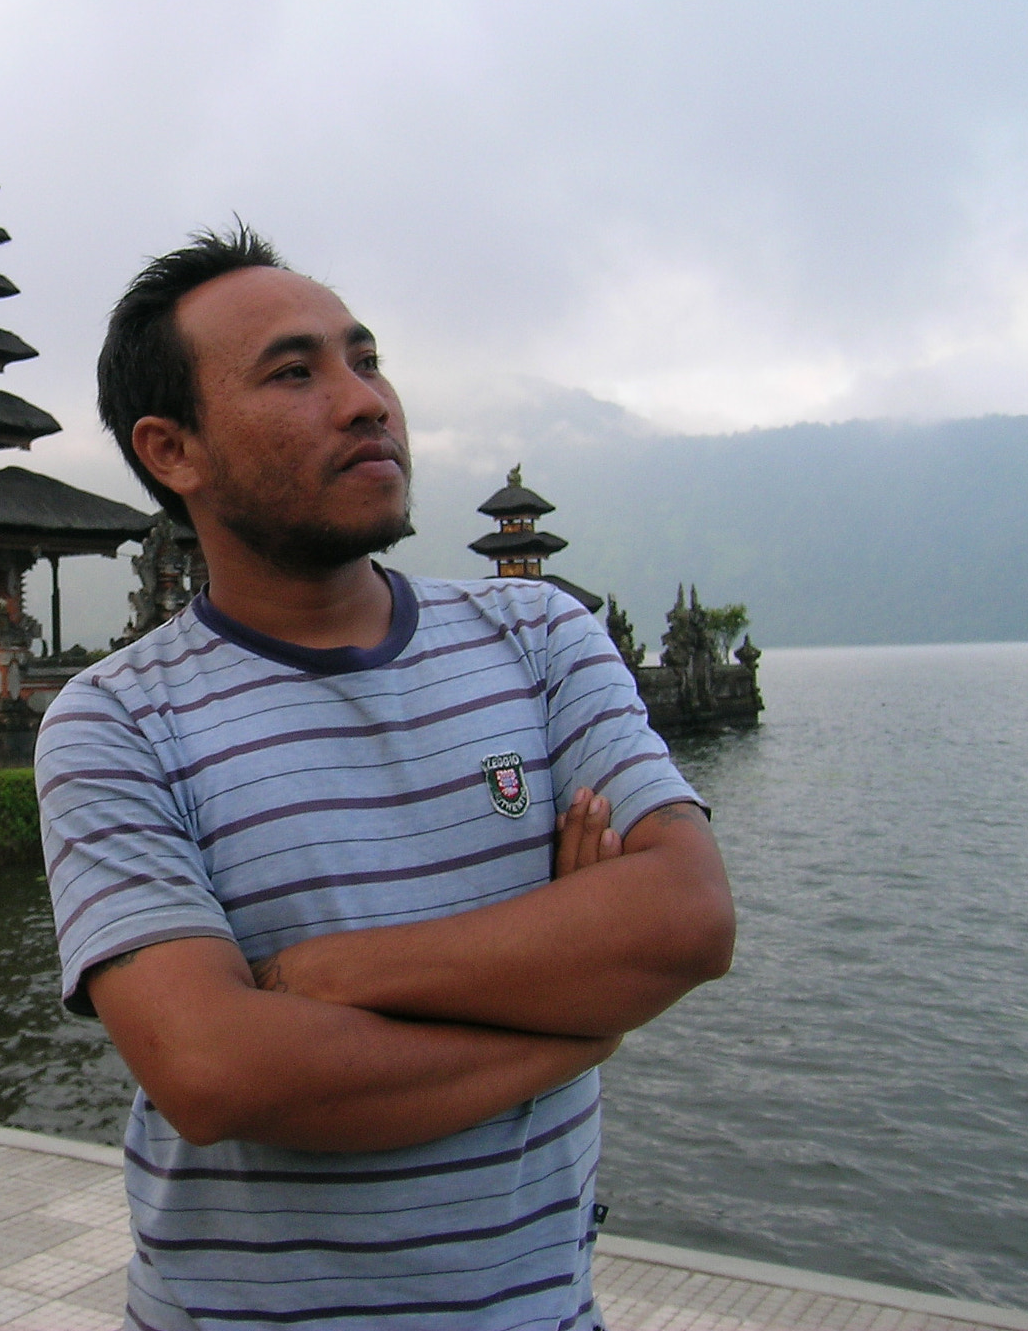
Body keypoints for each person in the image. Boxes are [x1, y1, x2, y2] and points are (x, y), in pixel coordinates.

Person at [36, 226, 736, 1331]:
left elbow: (685, 919)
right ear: (173, 451)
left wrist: (329, 974)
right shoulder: (117, 722)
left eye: (365, 360)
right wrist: (579, 1016)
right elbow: (217, 1071)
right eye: (294, 372)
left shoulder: (537, 637)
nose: (364, 400)